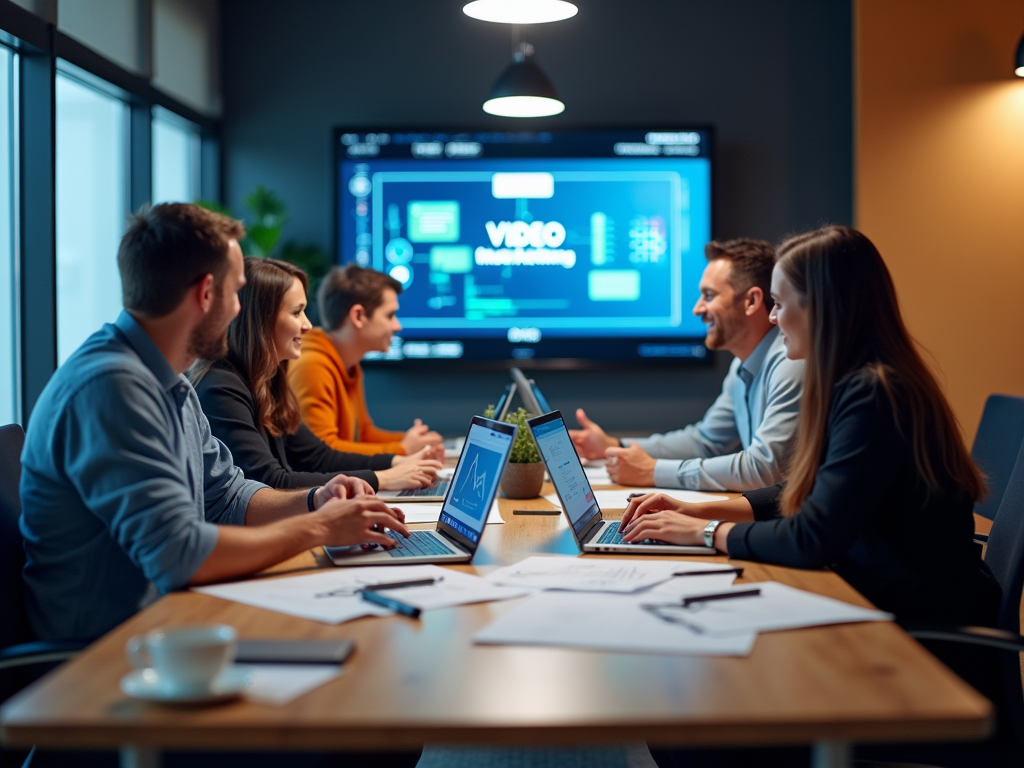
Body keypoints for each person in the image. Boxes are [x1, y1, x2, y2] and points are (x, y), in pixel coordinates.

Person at [19, 204, 410, 643]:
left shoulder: (167, 380)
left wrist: (317, 500)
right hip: (105, 656)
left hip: (172, 624)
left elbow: (227, 496)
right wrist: (320, 528)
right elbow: (179, 554)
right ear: (207, 293)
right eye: (237, 292)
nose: (241, 309)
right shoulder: (112, 387)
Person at [619, 225, 999, 659]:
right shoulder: (857, 380)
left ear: (821, 307)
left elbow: (812, 538)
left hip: (920, 629)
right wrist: (698, 510)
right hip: (878, 595)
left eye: (779, 303)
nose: (774, 318)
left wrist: (706, 533)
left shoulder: (875, 393)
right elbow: (808, 491)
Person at [570, 238, 804, 492]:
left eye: (709, 296)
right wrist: (613, 445)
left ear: (751, 301)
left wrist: (653, 471)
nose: (696, 309)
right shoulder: (742, 366)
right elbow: (705, 441)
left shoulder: (790, 361)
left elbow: (764, 470)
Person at [191, 257, 442, 493]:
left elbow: (316, 455)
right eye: (296, 312)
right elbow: (268, 482)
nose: (308, 324)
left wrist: (397, 460)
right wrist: (383, 478)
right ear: (261, 320)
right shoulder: (221, 388)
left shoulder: (269, 377)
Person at [288, 264, 444, 457]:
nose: (398, 326)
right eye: (390, 315)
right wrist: (402, 449)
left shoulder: (348, 362)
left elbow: (363, 435)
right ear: (358, 316)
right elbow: (322, 452)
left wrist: (414, 443)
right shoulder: (312, 366)